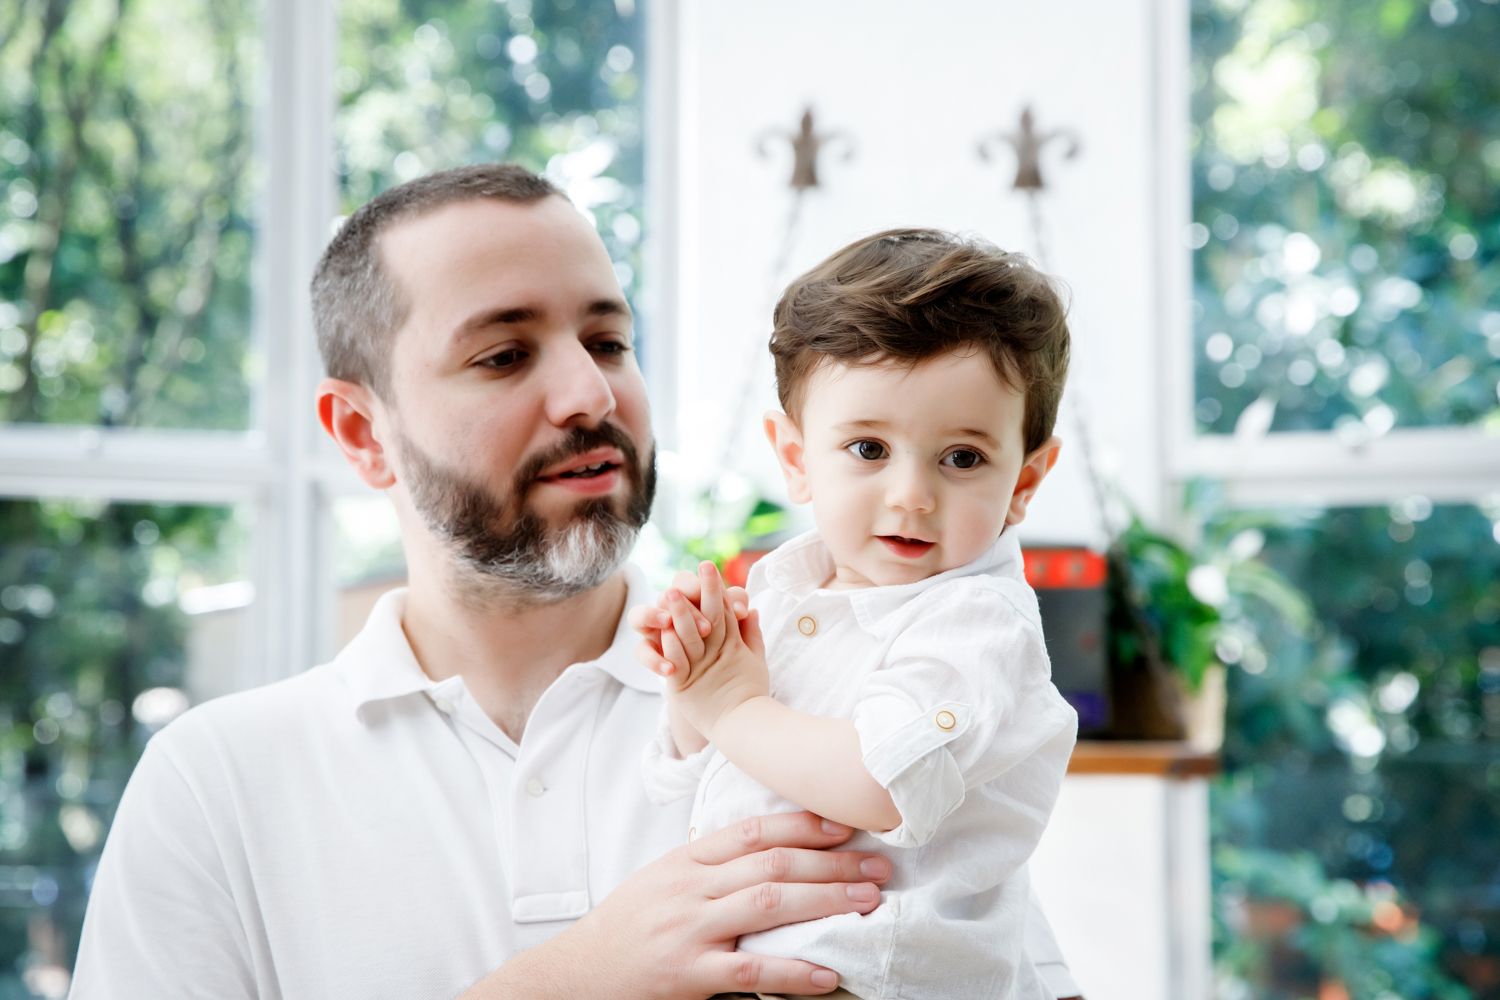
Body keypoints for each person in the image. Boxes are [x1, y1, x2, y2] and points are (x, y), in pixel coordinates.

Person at [69, 165, 1079, 999]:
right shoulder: (216, 784)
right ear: (362, 434)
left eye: (608, 342)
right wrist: (572, 979)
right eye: (506, 354)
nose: (591, 394)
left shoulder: (834, 687)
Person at [633, 229, 1078, 999]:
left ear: (1026, 481)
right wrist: (694, 687)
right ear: (799, 460)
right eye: (869, 449)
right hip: (757, 964)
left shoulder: (976, 622)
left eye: (962, 458)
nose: (911, 494)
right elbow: (700, 781)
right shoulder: (780, 595)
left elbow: (879, 782)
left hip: (879, 978)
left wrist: (733, 705)